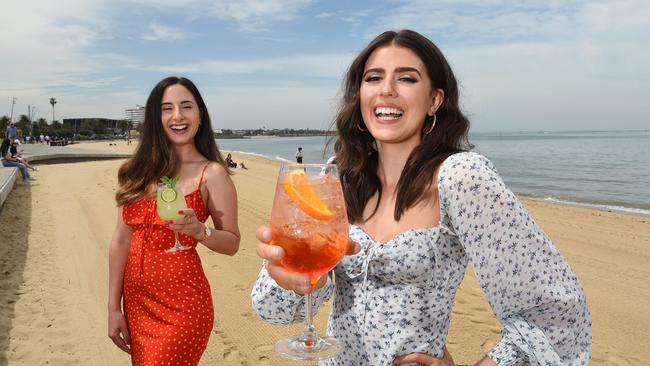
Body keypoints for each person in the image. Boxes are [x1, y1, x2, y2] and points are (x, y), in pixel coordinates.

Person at [251, 29, 591, 365]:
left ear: (434, 100)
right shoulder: (338, 179)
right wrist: (292, 277)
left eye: (407, 79)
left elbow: (557, 312)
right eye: (373, 78)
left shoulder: (460, 177)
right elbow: (273, 312)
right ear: (360, 96)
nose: (386, 90)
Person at [107, 76, 241, 365]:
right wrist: (112, 307)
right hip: (136, 304)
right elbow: (120, 241)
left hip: (183, 307)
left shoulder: (212, 173)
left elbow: (231, 243)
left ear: (200, 115)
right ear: (156, 118)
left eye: (186, 107)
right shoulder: (137, 172)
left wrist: (200, 231)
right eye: (167, 108)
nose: (177, 116)